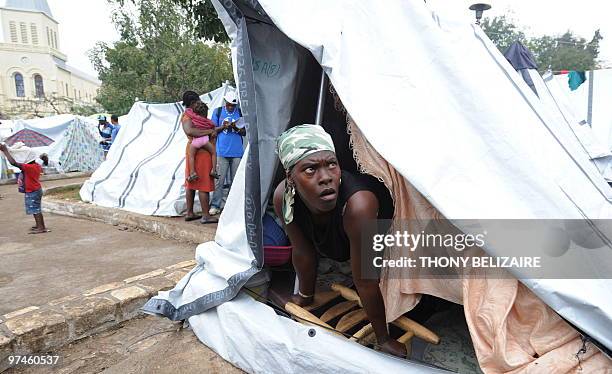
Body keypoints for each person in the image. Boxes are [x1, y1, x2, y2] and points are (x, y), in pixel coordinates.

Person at [272, 124, 405, 358]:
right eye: (310, 169)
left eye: (331, 164)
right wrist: (305, 296)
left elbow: (365, 279)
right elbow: (302, 250)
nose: (326, 178)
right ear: (290, 177)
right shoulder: (283, 196)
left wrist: (383, 338)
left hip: (389, 235)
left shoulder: (359, 204)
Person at [181, 91, 218, 224]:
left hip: (192, 150)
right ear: (192, 103)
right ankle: (206, 215)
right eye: (197, 101)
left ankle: (190, 212)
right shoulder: (188, 117)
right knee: (204, 184)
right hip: (202, 152)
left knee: (191, 182)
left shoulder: (191, 115)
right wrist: (210, 131)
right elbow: (190, 131)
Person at [208, 91, 245, 216]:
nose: (230, 107)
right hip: (221, 152)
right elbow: (212, 131)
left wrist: (234, 127)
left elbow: (244, 132)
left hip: (237, 152)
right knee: (219, 180)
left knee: (235, 182)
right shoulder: (218, 112)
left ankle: (231, 207)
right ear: (225, 102)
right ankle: (215, 205)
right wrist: (223, 127)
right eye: (229, 104)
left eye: (233, 105)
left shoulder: (240, 112)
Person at [0, 143, 49, 234]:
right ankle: (39, 225)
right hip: (35, 190)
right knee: (35, 208)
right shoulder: (35, 165)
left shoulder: (28, 167)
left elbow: (13, 163)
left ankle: (41, 227)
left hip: (32, 191)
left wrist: (6, 151)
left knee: (35, 209)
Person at [184, 101, 220, 181]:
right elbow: (213, 127)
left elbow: (188, 112)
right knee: (213, 153)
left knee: (191, 156)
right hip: (205, 141)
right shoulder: (207, 121)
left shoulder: (193, 119)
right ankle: (213, 170)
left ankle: (192, 173)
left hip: (195, 141)